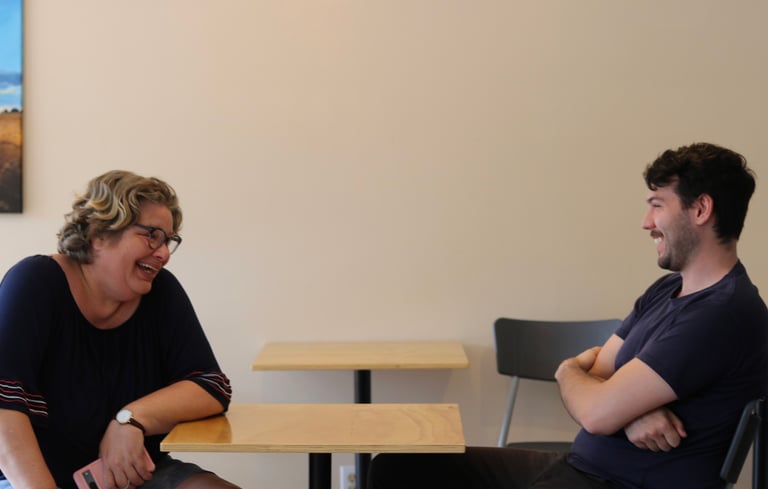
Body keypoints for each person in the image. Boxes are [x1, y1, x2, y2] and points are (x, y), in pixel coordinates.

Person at [368, 142, 768, 489]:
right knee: (399, 467)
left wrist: (581, 383)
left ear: (700, 209)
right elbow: (598, 376)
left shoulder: (722, 315)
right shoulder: (667, 290)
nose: (646, 223)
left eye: (657, 206)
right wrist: (626, 411)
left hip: (620, 484)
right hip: (579, 470)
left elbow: (594, 410)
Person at [0, 171, 240, 489]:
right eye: (152, 235)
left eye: (168, 240)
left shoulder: (160, 292)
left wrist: (129, 418)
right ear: (100, 233)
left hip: (129, 472)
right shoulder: (35, 282)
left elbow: (211, 386)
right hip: (31, 478)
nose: (164, 252)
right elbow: (4, 402)